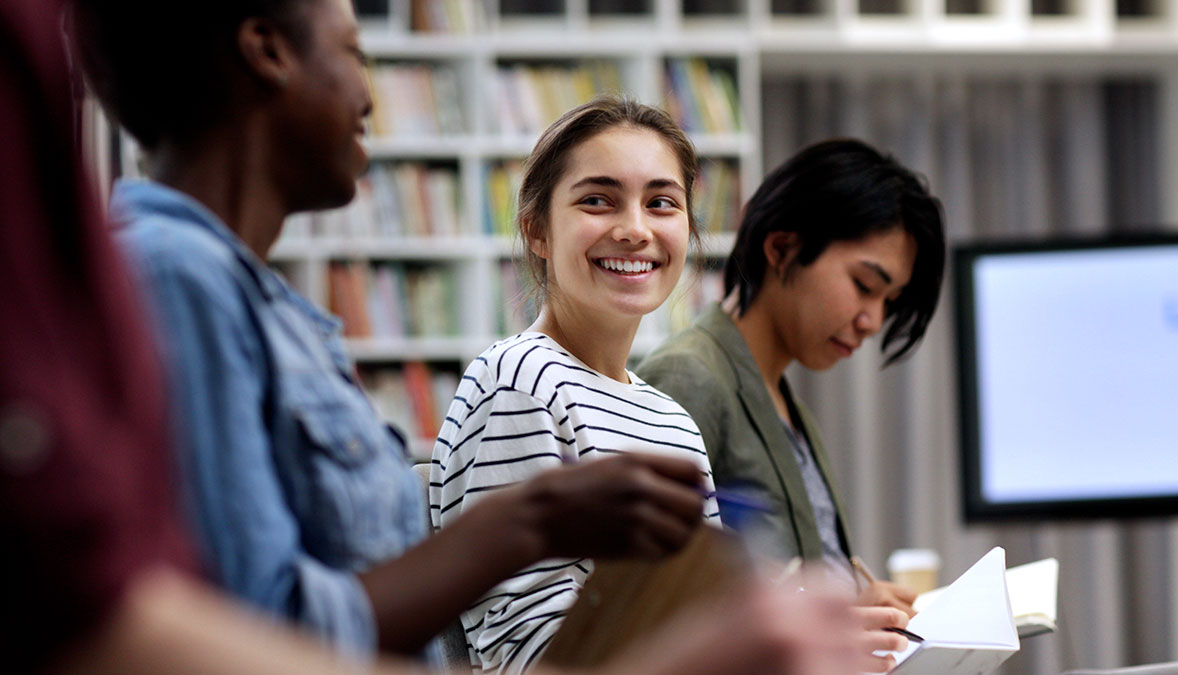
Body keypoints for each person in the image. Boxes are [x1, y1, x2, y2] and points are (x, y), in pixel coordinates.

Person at [65, 0, 717, 662]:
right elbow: (255, 629)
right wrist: (527, 520)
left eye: (663, 202)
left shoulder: (273, 313)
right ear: (267, 53)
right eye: (353, 53)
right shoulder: (176, 277)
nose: (371, 96)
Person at [428, 100, 911, 674]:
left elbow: (701, 616)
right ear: (536, 229)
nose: (635, 230)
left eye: (661, 203)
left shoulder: (670, 418)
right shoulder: (520, 383)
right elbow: (526, 661)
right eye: (597, 200)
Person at [636, 138, 946, 615]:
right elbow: (654, 595)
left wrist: (853, 601)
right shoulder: (689, 377)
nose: (873, 320)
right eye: (865, 286)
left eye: (889, 301)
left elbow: (778, 580)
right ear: (782, 248)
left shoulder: (784, 399)